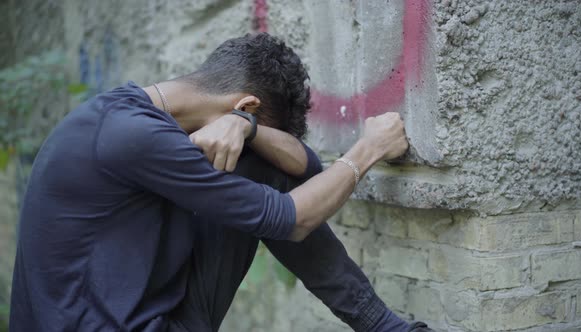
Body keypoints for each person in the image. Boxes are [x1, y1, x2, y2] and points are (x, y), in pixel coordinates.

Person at [9, 33, 432, 332]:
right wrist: (368, 149)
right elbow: (292, 217)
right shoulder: (133, 138)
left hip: (132, 314)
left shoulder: (129, 114)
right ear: (245, 101)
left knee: (265, 166)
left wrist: (246, 126)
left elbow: (303, 167)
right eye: (246, 114)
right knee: (264, 174)